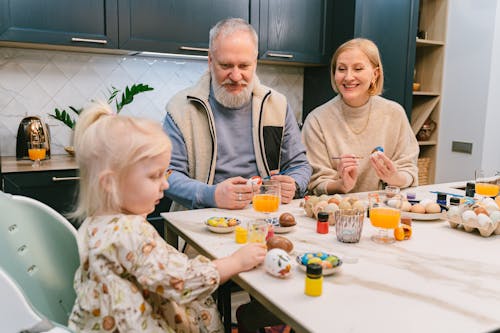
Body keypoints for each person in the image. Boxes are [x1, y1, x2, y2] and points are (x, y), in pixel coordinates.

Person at [67, 103, 267, 332]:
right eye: (154, 176)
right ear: (110, 184)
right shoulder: (130, 231)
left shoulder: (95, 223)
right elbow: (183, 282)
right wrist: (235, 262)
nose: (165, 184)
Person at [163, 18, 311, 211]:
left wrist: (294, 183)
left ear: (255, 62)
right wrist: (212, 195)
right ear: (210, 60)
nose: (235, 76)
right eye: (225, 66)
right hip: (203, 218)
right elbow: (167, 174)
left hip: (265, 215)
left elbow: (300, 165)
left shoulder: (277, 104)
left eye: (244, 66)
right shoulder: (180, 108)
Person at [302, 38, 419, 194]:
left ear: (375, 74)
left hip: (382, 210)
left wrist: (394, 178)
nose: (348, 77)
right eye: (341, 69)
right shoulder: (317, 120)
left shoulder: (394, 114)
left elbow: (409, 170)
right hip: (336, 211)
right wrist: (341, 185)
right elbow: (315, 183)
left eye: (358, 69)